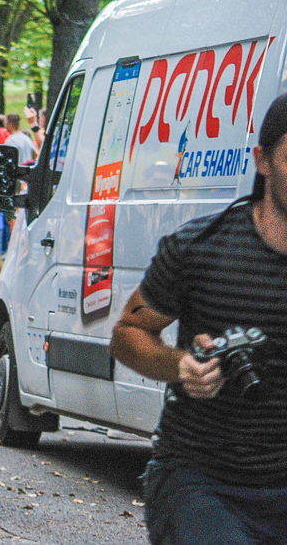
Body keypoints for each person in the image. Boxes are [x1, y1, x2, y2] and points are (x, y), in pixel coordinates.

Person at [110, 95, 287, 545]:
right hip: (202, 481)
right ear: (263, 162)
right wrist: (180, 366)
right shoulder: (200, 248)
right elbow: (128, 333)